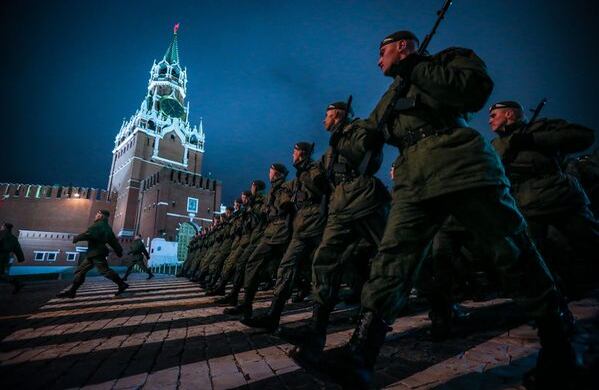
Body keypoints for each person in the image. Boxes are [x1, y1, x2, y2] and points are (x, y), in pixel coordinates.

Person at [295, 31, 575, 389]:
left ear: (402, 47)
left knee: (511, 249)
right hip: (414, 176)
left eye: (383, 52)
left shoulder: (447, 59)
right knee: (392, 260)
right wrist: (343, 136)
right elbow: (369, 134)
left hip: (460, 161)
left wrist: (416, 67)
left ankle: (558, 342)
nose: (378, 61)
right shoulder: (392, 92)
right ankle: (360, 355)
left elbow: (474, 88)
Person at [288, 100, 390, 362]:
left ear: (339, 116)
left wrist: (345, 133)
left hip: (364, 197)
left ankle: (439, 303)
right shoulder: (330, 149)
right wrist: (305, 171)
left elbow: (369, 151)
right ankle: (316, 331)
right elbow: (320, 178)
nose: (324, 120)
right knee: (325, 260)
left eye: (328, 116)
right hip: (340, 204)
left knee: (391, 253)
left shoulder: (357, 129)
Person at [489, 100, 599, 297]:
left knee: (589, 242)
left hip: (562, 197)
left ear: (509, 115)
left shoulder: (542, 127)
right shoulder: (496, 144)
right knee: (533, 255)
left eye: (493, 115)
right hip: (527, 204)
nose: (490, 121)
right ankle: (555, 293)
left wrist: (534, 139)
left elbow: (584, 136)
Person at [242, 142, 328, 331]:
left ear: (302, 153)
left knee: (321, 268)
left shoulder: (311, 170)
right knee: (287, 267)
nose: (292, 155)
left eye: (295, 152)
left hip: (312, 224)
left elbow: (321, 189)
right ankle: (272, 316)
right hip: (300, 226)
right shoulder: (297, 176)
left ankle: (317, 326)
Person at [223, 163, 293, 319]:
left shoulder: (281, 189)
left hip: (277, 233)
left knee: (287, 268)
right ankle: (245, 304)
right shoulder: (269, 193)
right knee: (250, 264)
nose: (269, 173)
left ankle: (270, 312)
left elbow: (280, 208)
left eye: (271, 171)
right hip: (268, 234)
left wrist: (262, 210)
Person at [57, 209, 128, 298]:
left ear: (101, 215)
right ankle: (72, 291)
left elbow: (88, 234)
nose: (96, 215)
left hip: (96, 253)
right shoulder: (107, 227)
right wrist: (119, 251)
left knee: (104, 271)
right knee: (80, 271)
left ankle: (122, 284)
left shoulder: (98, 225)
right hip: (93, 254)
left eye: (97, 214)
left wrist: (77, 238)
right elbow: (113, 241)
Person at [0, 222, 25, 294]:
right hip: (6, 257)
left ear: (4, 227)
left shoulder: (1, 234)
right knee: (1, 273)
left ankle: (17, 283)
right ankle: (17, 283)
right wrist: (21, 258)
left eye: (2, 226)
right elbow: (18, 249)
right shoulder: (13, 238)